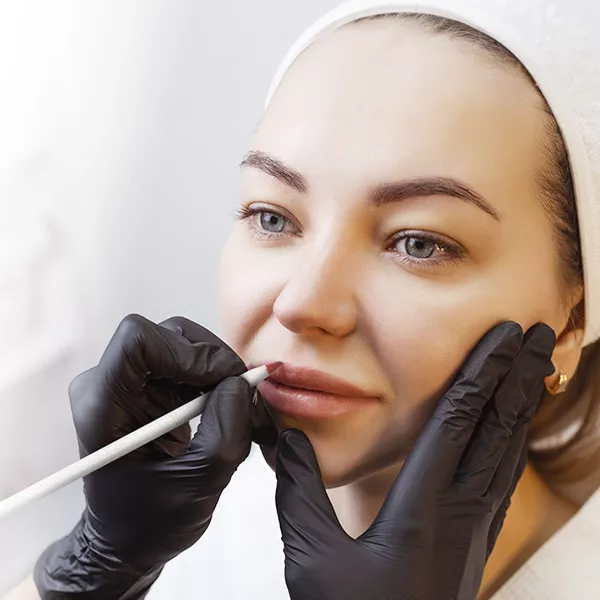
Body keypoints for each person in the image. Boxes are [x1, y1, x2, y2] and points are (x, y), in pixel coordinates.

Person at [5, 0, 600, 598]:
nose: (303, 305)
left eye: (419, 243)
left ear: (572, 320)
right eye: (273, 217)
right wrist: (93, 567)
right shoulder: (195, 534)